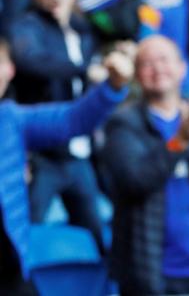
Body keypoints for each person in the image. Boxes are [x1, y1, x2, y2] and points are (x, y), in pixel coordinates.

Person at [0, 40, 132, 295]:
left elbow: (73, 119)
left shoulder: (11, 119)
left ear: (9, 71)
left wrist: (112, 85)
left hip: (11, 268)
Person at [100, 35, 189, 296]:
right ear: (137, 75)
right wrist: (179, 141)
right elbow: (134, 180)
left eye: (164, 60)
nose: (157, 69)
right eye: (147, 63)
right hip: (148, 270)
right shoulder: (122, 122)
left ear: (183, 68)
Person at [10, 0, 102, 251]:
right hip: (43, 155)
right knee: (24, 234)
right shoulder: (28, 25)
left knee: (96, 234)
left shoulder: (82, 29)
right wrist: (83, 70)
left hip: (79, 154)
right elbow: (31, 61)